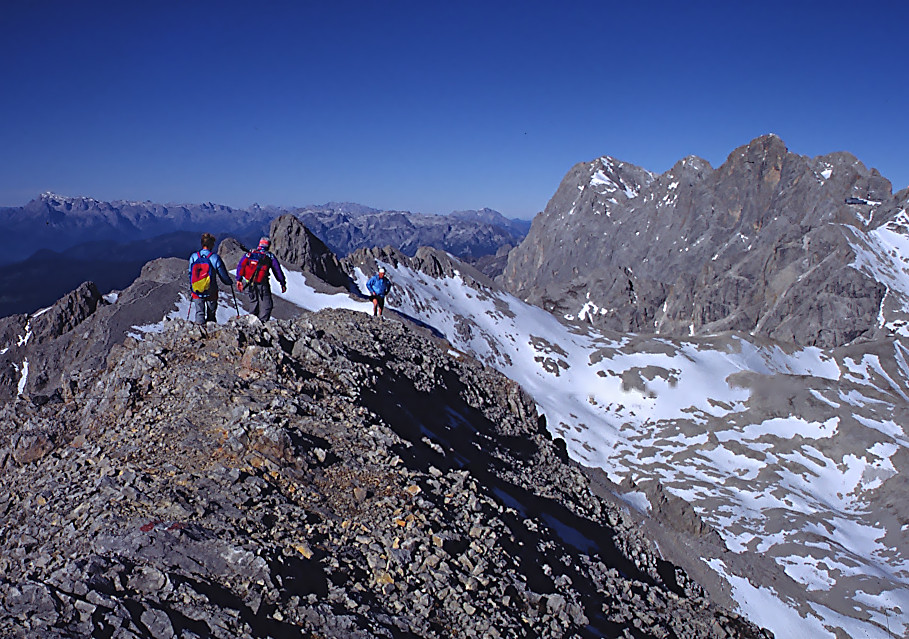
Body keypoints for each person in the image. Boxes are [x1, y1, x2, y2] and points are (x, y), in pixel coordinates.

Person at [236, 237, 287, 322]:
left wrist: (239, 279)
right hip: (263, 284)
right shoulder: (269, 256)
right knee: (267, 305)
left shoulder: (250, 254)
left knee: (253, 303)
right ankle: (262, 323)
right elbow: (277, 270)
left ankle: (251, 324)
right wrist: (282, 283)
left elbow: (241, 265)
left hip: (250, 284)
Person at [188, 233, 233, 324]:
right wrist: (229, 282)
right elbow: (223, 275)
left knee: (199, 313)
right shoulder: (215, 258)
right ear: (212, 244)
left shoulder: (194, 256)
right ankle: (211, 333)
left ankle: (199, 333)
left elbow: (190, 274)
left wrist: (192, 287)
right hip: (211, 290)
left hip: (197, 289)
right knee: (211, 315)